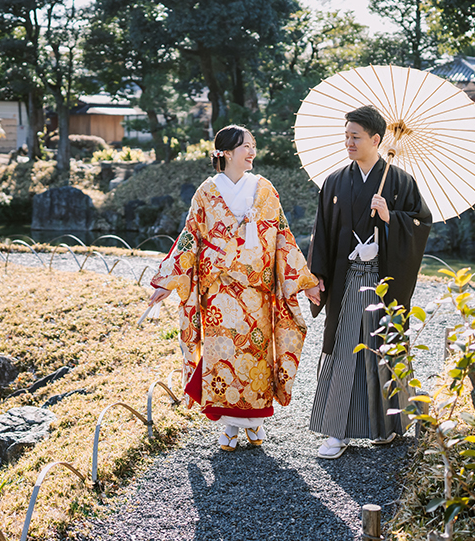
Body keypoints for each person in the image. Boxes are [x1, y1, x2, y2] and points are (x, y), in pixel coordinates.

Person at [148, 125, 324, 450]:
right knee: (223, 357)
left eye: (253, 145)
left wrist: (305, 282)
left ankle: (255, 423)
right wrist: (166, 282)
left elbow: (283, 237)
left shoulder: (264, 189)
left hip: (256, 291)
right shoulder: (206, 192)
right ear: (226, 152)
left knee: (255, 355)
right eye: (246, 146)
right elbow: (189, 238)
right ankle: (229, 426)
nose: (252, 151)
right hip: (218, 293)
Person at [307, 105, 431, 459]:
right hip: (346, 281)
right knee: (344, 348)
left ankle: (386, 427)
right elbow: (323, 234)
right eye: (346, 135)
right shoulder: (334, 182)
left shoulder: (401, 181)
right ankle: (336, 431)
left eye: (355, 137)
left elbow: (422, 223)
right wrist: (316, 277)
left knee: (383, 348)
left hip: (381, 280)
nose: (348, 142)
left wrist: (392, 218)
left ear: (377, 139)